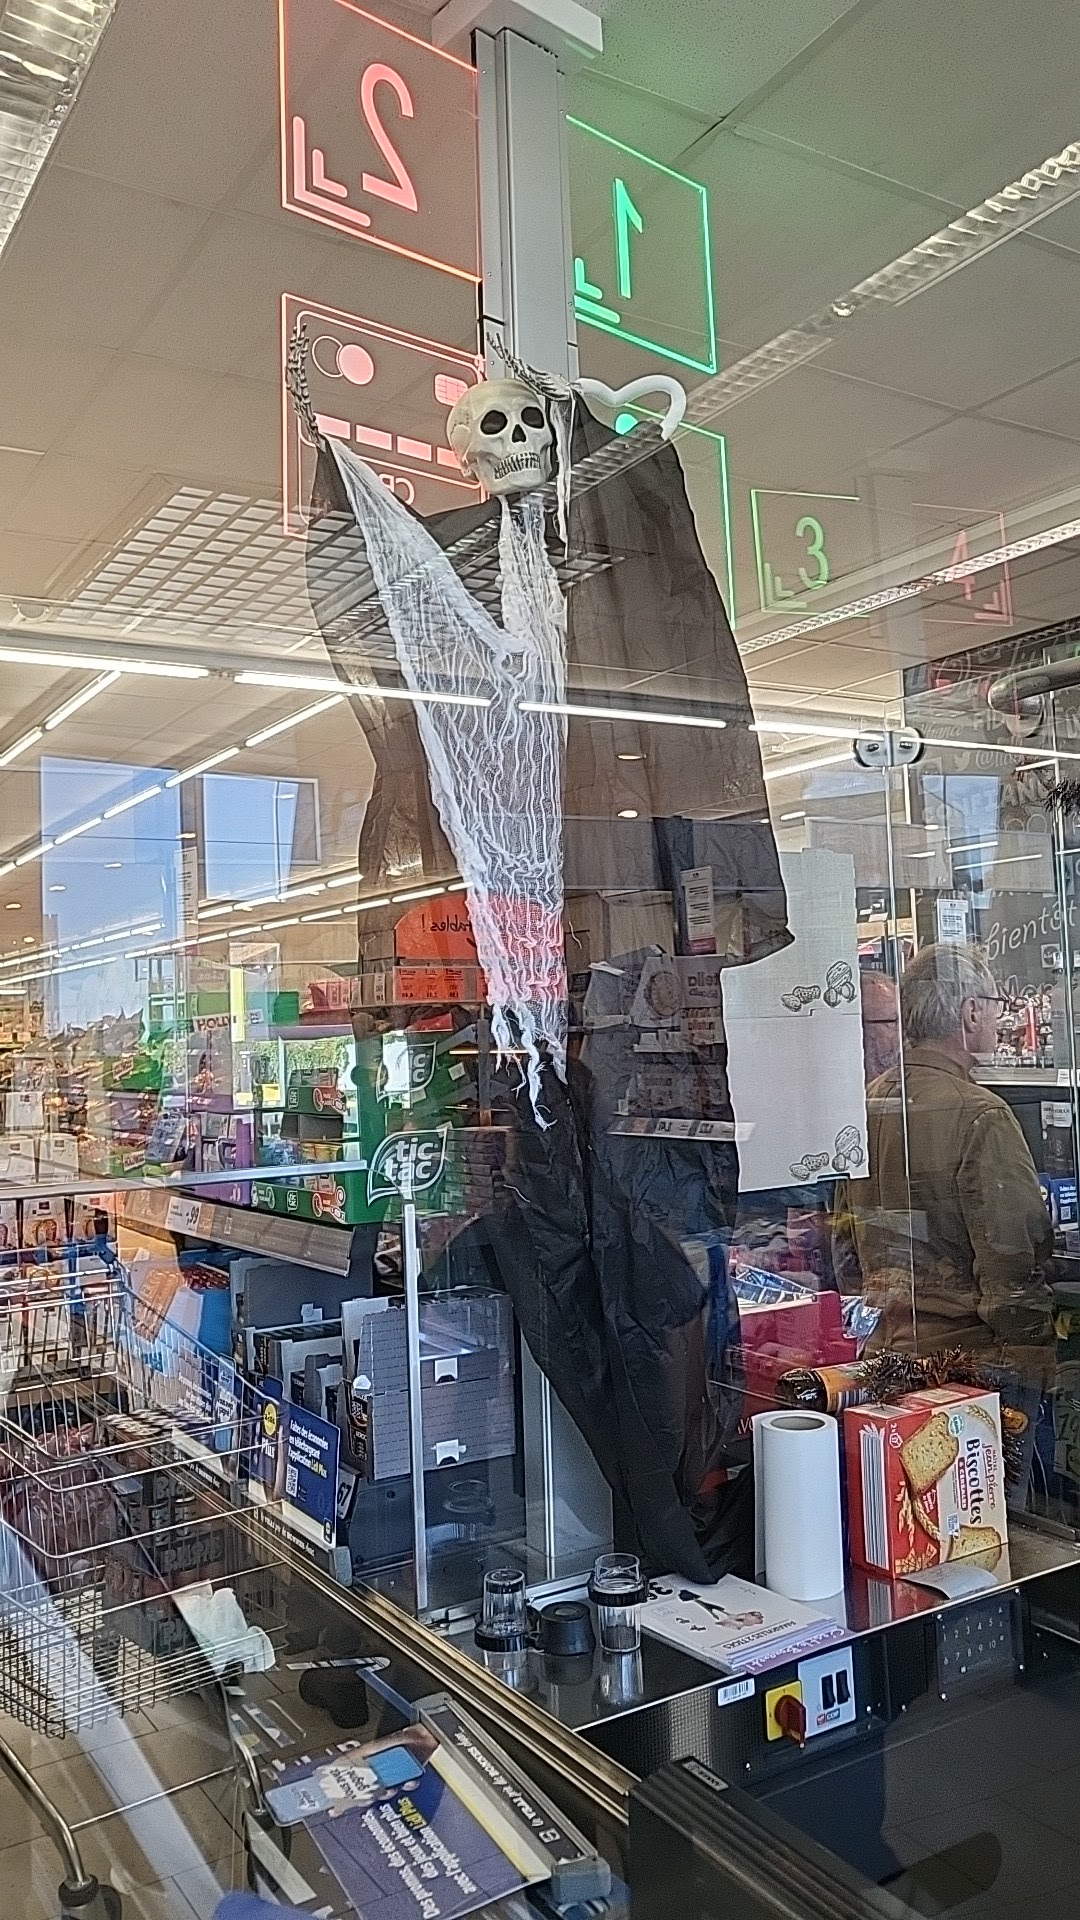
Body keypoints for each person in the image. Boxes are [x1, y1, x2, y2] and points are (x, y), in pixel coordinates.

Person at [835, 942, 1053, 1377]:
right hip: (964, 1363)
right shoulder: (981, 1114)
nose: (998, 1017)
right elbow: (1012, 1263)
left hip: (881, 1354)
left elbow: (845, 1244)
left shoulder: (867, 1103)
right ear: (971, 1012)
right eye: (995, 1004)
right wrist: (1030, 1365)